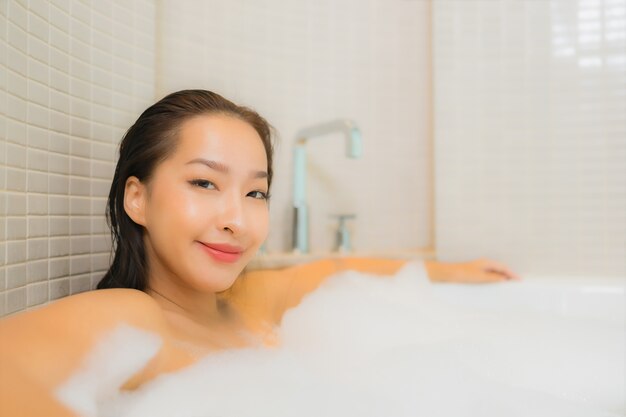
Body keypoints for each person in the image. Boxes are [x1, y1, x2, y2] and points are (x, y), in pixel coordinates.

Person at [0, 90, 519, 416]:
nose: (238, 219)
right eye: (204, 182)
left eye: (255, 193)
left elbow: (334, 269)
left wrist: (451, 271)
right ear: (137, 198)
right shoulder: (132, 318)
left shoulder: (248, 302)